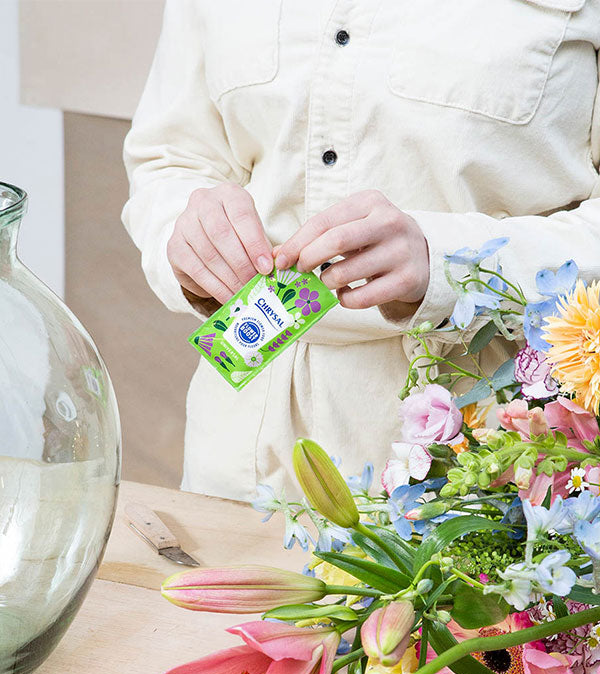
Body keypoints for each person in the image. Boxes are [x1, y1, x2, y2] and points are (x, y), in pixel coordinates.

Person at [123, 0, 600, 502]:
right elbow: (171, 157)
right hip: (238, 448)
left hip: (491, 458)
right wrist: (189, 232)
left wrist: (448, 261)